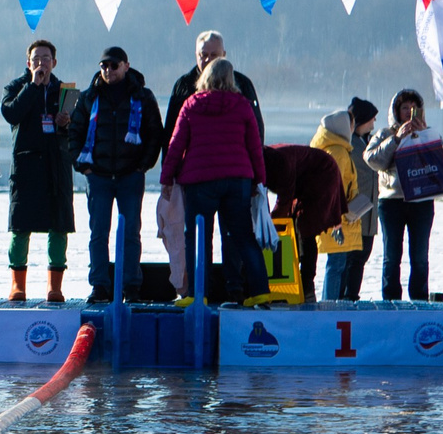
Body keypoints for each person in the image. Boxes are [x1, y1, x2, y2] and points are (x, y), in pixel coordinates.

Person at [160, 58, 266, 304]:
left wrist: (167, 179)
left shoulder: (191, 104)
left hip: (200, 181)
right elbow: (254, 147)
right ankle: (260, 291)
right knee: (243, 236)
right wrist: (259, 180)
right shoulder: (242, 105)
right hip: (237, 180)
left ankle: (199, 295)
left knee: (198, 237)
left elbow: (176, 145)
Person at [70, 46, 166, 303]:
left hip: (130, 176)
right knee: (98, 233)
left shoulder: (142, 96)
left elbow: (155, 133)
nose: (108, 70)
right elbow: (74, 132)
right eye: (104, 66)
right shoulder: (89, 96)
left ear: (126, 66)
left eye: (114, 65)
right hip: (98, 176)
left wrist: (142, 165)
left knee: (131, 233)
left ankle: (131, 286)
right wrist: (82, 166)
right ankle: (100, 286)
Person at [0, 39, 78, 302]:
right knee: (20, 227)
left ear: (54, 62)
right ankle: (17, 285)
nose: (41, 63)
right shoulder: (15, 87)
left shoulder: (65, 92)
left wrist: (66, 123)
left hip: (56, 167)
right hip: (26, 167)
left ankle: (54, 287)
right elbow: (11, 114)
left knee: (59, 226)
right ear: (28, 62)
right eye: (36, 59)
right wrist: (33, 86)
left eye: (45, 58)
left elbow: (77, 130)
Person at [362, 89, 442, 301]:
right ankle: (390, 299)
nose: (409, 112)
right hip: (392, 201)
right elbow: (371, 159)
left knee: (420, 256)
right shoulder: (385, 134)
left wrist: (425, 136)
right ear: (396, 111)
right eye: (405, 108)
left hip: (422, 200)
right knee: (391, 255)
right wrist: (396, 139)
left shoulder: (427, 132)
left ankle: (419, 298)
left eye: (413, 108)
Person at [262, 142, 347, 304]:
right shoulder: (263, 160)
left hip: (322, 173)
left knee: (306, 227)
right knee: (294, 224)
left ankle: (307, 285)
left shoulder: (279, 164)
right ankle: (296, 276)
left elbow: (284, 200)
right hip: (304, 176)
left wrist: (272, 225)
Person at [314, 98, 379, 300]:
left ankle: (333, 302)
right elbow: (335, 188)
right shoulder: (339, 153)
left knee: (339, 264)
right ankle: (332, 304)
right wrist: (337, 221)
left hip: (341, 217)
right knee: (337, 265)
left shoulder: (339, 149)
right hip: (340, 219)